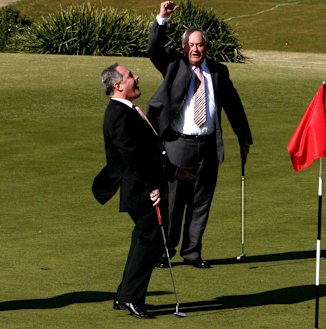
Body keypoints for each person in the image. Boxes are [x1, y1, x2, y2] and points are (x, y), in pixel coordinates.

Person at [146, 1, 253, 269]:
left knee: (200, 202)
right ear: (185, 48)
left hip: (207, 145)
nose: (196, 49)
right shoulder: (174, 65)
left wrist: (243, 137)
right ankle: (166, 251)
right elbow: (153, 49)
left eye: (200, 44)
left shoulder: (218, 71)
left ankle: (193, 253)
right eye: (191, 45)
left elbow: (234, 105)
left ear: (206, 47)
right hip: (178, 144)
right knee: (173, 202)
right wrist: (162, 18)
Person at [92, 63, 194, 318]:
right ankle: (130, 297)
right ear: (118, 85)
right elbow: (131, 155)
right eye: (129, 76)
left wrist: (172, 172)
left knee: (145, 238)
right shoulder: (117, 113)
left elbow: (150, 151)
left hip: (145, 185)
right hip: (140, 189)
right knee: (150, 239)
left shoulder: (128, 110)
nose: (136, 77)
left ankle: (125, 295)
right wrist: (153, 185)